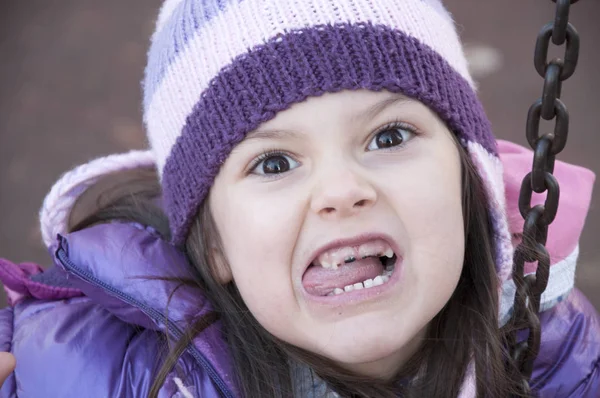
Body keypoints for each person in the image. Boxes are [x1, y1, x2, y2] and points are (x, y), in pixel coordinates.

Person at [0, 0, 598, 396]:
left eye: (388, 136)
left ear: (472, 184)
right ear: (216, 250)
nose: (341, 192)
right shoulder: (92, 377)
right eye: (274, 162)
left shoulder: (555, 355)